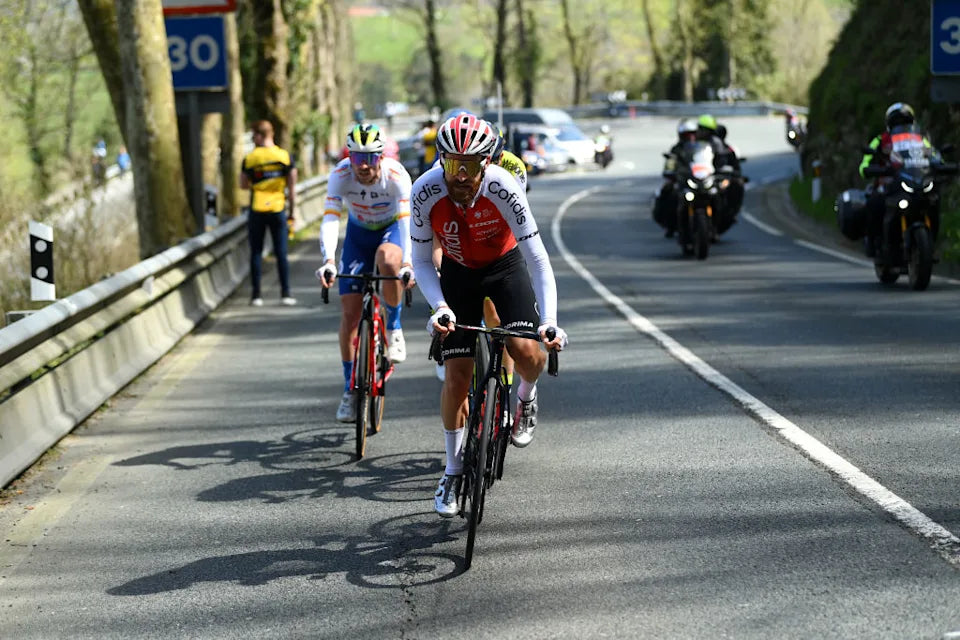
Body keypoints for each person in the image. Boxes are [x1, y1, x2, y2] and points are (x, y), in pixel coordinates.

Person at [410, 113, 568, 517]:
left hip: (504, 266)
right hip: (459, 273)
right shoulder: (425, 191)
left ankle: (526, 398)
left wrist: (548, 319)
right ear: (440, 159)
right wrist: (440, 307)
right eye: (452, 164)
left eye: (471, 165)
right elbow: (423, 261)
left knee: (528, 353)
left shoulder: (503, 186)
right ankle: (451, 470)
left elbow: (537, 258)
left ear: (488, 163)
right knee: (457, 379)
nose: (460, 175)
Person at [316, 124, 415, 423]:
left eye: (370, 158)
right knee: (349, 315)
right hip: (358, 237)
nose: (362, 165)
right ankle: (350, 389)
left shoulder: (397, 176)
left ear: (381, 157)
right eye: (356, 156)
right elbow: (331, 218)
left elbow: (407, 224)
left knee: (388, 259)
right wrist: (328, 259)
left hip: (390, 231)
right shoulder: (340, 174)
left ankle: (394, 328)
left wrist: (408, 263)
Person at [859, 102, 937, 258]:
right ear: (890, 124)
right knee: (875, 202)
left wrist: (940, 165)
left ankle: (930, 244)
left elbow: (933, 156)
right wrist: (868, 169)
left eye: (905, 122)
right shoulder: (880, 139)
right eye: (898, 123)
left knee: (934, 200)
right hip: (889, 183)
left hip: (914, 180)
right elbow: (865, 163)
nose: (902, 126)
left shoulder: (921, 140)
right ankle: (875, 243)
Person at [240, 120, 298, 307]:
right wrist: (292, 212)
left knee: (256, 252)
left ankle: (256, 295)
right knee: (281, 251)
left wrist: (259, 183)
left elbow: (242, 184)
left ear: (258, 135)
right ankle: (286, 293)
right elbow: (292, 185)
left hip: (257, 207)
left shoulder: (250, 158)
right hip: (278, 207)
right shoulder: (284, 157)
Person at [653, 118, 699, 237]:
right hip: (682, 180)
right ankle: (670, 224)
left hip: (699, 180)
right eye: (687, 135)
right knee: (667, 192)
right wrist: (671, 173)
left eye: (693, 134)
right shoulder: (677, 149)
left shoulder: (702, 148)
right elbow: (670, 163)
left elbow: (709, 162)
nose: (691, 137)